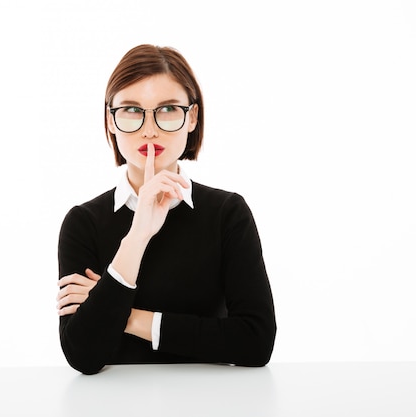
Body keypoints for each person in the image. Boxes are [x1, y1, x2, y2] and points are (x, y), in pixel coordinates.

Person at [56, 44, 276, 375]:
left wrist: (126, 315)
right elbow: (83, 355)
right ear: (110, 121)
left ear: (192, 117)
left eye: (168, 109)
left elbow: (255, 342)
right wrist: (138, 235)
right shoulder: (84, 222)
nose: (149, 128)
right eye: (131, 110)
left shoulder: (227, 214)